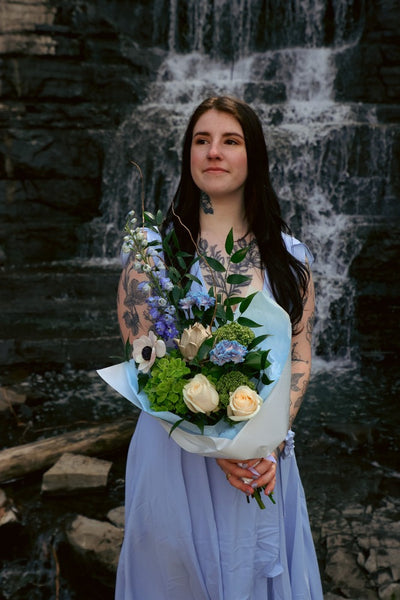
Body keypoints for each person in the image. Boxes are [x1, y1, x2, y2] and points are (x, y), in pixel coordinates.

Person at [115, 96, 323, 599]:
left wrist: (266, 441)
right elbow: (143, 360)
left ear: (253, 157)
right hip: (173, 458)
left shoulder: (290, 260)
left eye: (231, 141)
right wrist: (210, 444)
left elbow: (299, 356)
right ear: (188, 155)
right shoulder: (153, 254)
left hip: (260, 464)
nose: (214, 151)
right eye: (201, 140)